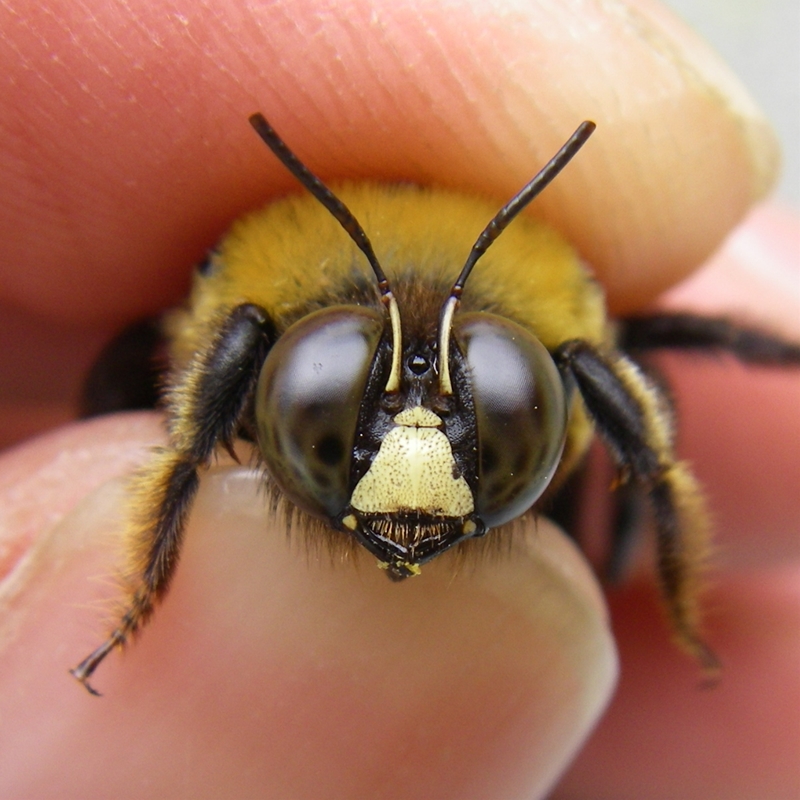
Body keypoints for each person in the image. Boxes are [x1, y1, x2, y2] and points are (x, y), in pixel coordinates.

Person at [0, 0, 797, 796]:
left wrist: (673, 577)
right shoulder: (238, 326)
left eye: (503, 420)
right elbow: (173, 420)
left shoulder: (579, 355)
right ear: (240, 356)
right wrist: (135, 588)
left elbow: (655, 443)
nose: (415, 459)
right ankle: (149, 579)